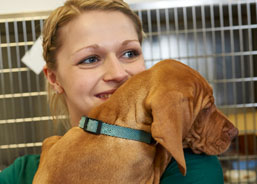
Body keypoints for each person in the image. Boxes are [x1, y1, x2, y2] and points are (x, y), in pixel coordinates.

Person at [0, 0, 224, 183]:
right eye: (90, 59)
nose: (118, 73)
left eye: (129, 53)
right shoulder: (20, 175)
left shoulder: (187, 163)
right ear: (54, 78)